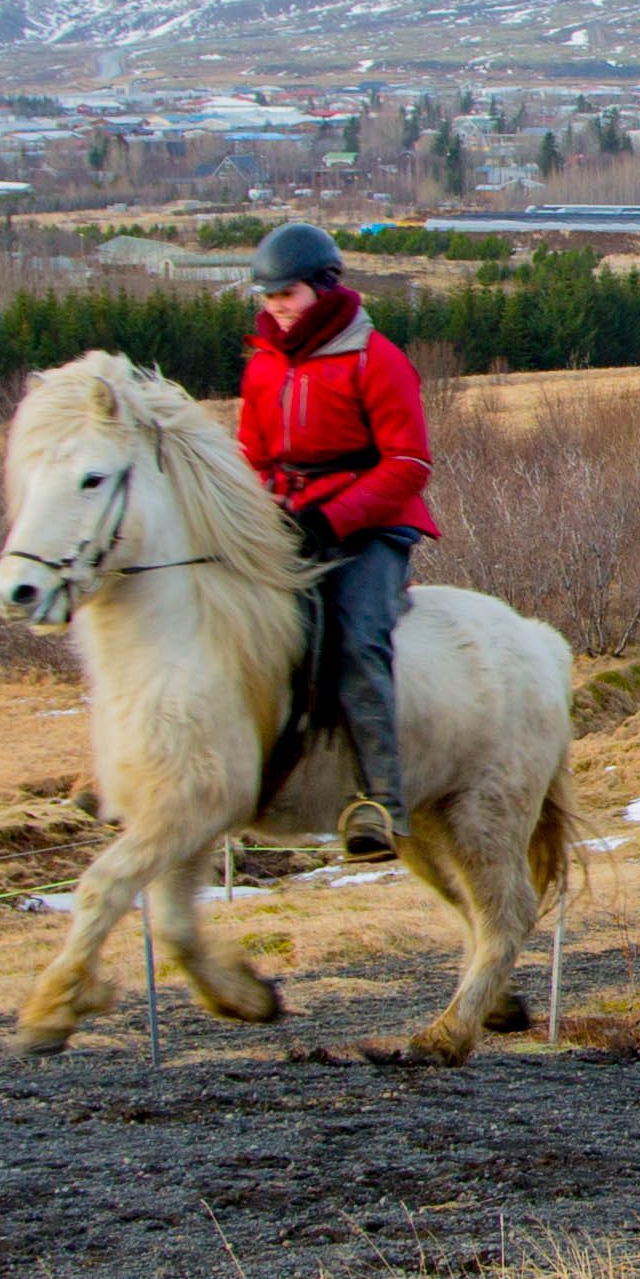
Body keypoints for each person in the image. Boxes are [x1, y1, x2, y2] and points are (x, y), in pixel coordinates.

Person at [236, 223, 433, 856]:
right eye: (268, 298)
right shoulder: (264, 365)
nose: (277, 308)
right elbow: (253, 455)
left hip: (371, 528)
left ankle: (381, 799)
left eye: (286, 294)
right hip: (289, 523)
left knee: (355, 639)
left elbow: (409, 463)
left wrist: (332, 517)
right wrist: (271, 507)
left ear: (324, 288)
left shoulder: (378, 359)